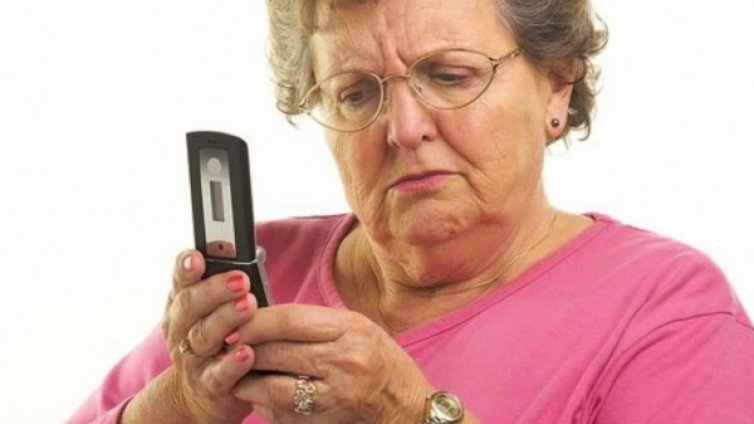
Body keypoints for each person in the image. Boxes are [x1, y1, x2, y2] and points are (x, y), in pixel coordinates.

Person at [69, 0, 754, 422]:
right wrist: (186, 404)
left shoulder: (667, 308)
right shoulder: (258, 278)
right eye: (356, 93)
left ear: (556, 85)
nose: (402, 128)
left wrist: (408, 416)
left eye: (450, 75)